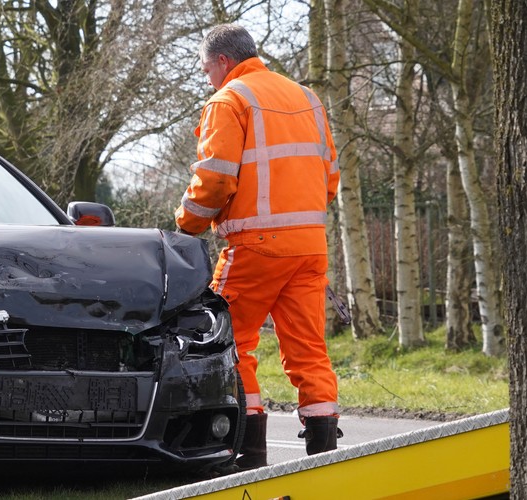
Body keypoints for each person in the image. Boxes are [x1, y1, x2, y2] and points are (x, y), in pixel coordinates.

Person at [175, 24, 342, 469]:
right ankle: (323, 454)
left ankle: (250, 453)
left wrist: (185, 227)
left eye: (206, 68)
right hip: (310, 245)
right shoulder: (306, 97)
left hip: (256, 245)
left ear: (224, 62)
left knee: (231, 342)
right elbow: (329, 177)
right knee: (309, 348)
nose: (207, 77)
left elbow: (214, 179)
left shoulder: (230, 100)